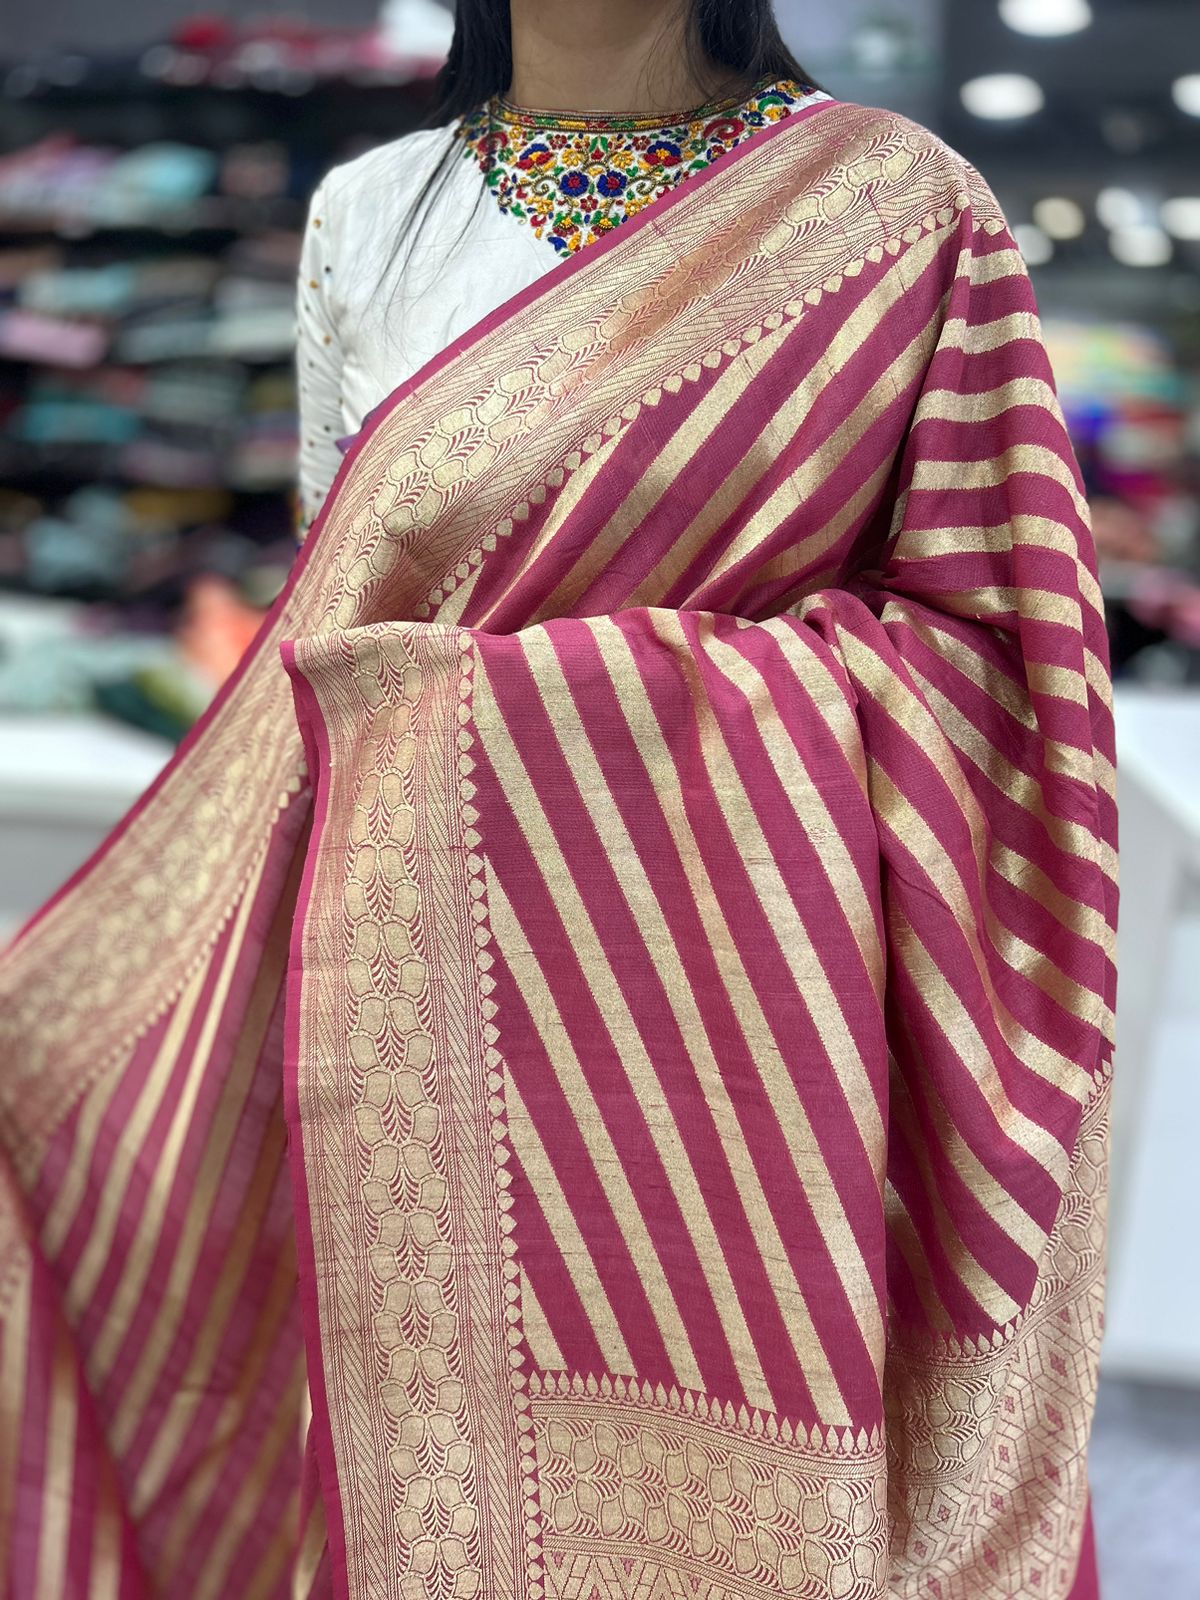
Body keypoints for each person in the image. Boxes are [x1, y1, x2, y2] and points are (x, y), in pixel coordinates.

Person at [0, 2, 1118, 1597]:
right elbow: (335, 623)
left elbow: (1007, 677)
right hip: (409, 999)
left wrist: (515, 715)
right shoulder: (368, 211)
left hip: (740, 1038)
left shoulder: (899, 208)